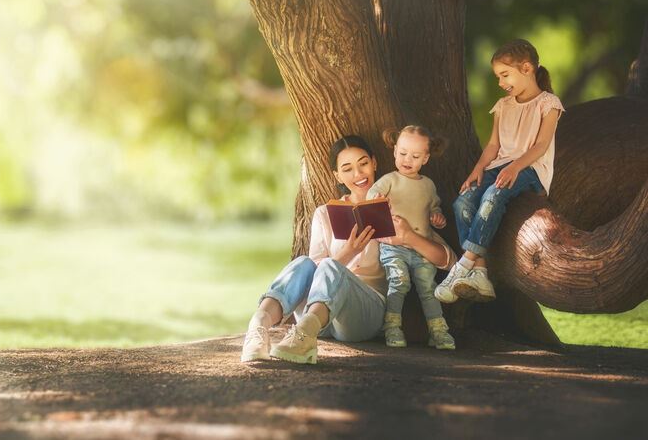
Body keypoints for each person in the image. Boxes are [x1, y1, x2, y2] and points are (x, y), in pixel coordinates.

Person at [241, 135, 455, 364]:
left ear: (374, 163)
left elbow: (449, 261)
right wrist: (350, 251)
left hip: (362, 315)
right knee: (304, 263)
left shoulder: (399, 210)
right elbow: (314, 272)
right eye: (348, 169)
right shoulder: (324, 214)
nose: (358, 174)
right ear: (337, 175)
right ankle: (257, 330)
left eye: (363, 164)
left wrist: (409, 236)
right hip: (316, 318)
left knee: (330, 266)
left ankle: (303, 337)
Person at [435, 38, 564, 304]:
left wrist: (516, 167)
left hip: (530, 168)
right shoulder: (503, 106)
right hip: (500, 165)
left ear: (527, 68)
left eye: (505, 75)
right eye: (498, 77)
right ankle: (480, 273)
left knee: (493, 196)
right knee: (463, 202)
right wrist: (477, 170)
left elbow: (540, 146)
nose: (501, 83)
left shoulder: (549, 103)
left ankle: (461, 266)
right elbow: (493, 145)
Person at [367, 126, 455, 350]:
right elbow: (372, 195)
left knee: (428, 287)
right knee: (399, 281)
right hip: (393, 247)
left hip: (420, 246)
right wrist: (376, 198)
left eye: (415, 156)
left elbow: (434, 207)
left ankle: (438, 331)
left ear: (425, 158)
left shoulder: (428, 185)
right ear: (395, 151)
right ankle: (392, 327)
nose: (408, 159)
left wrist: (437, 217)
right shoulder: (390, 180)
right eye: (403, 153)